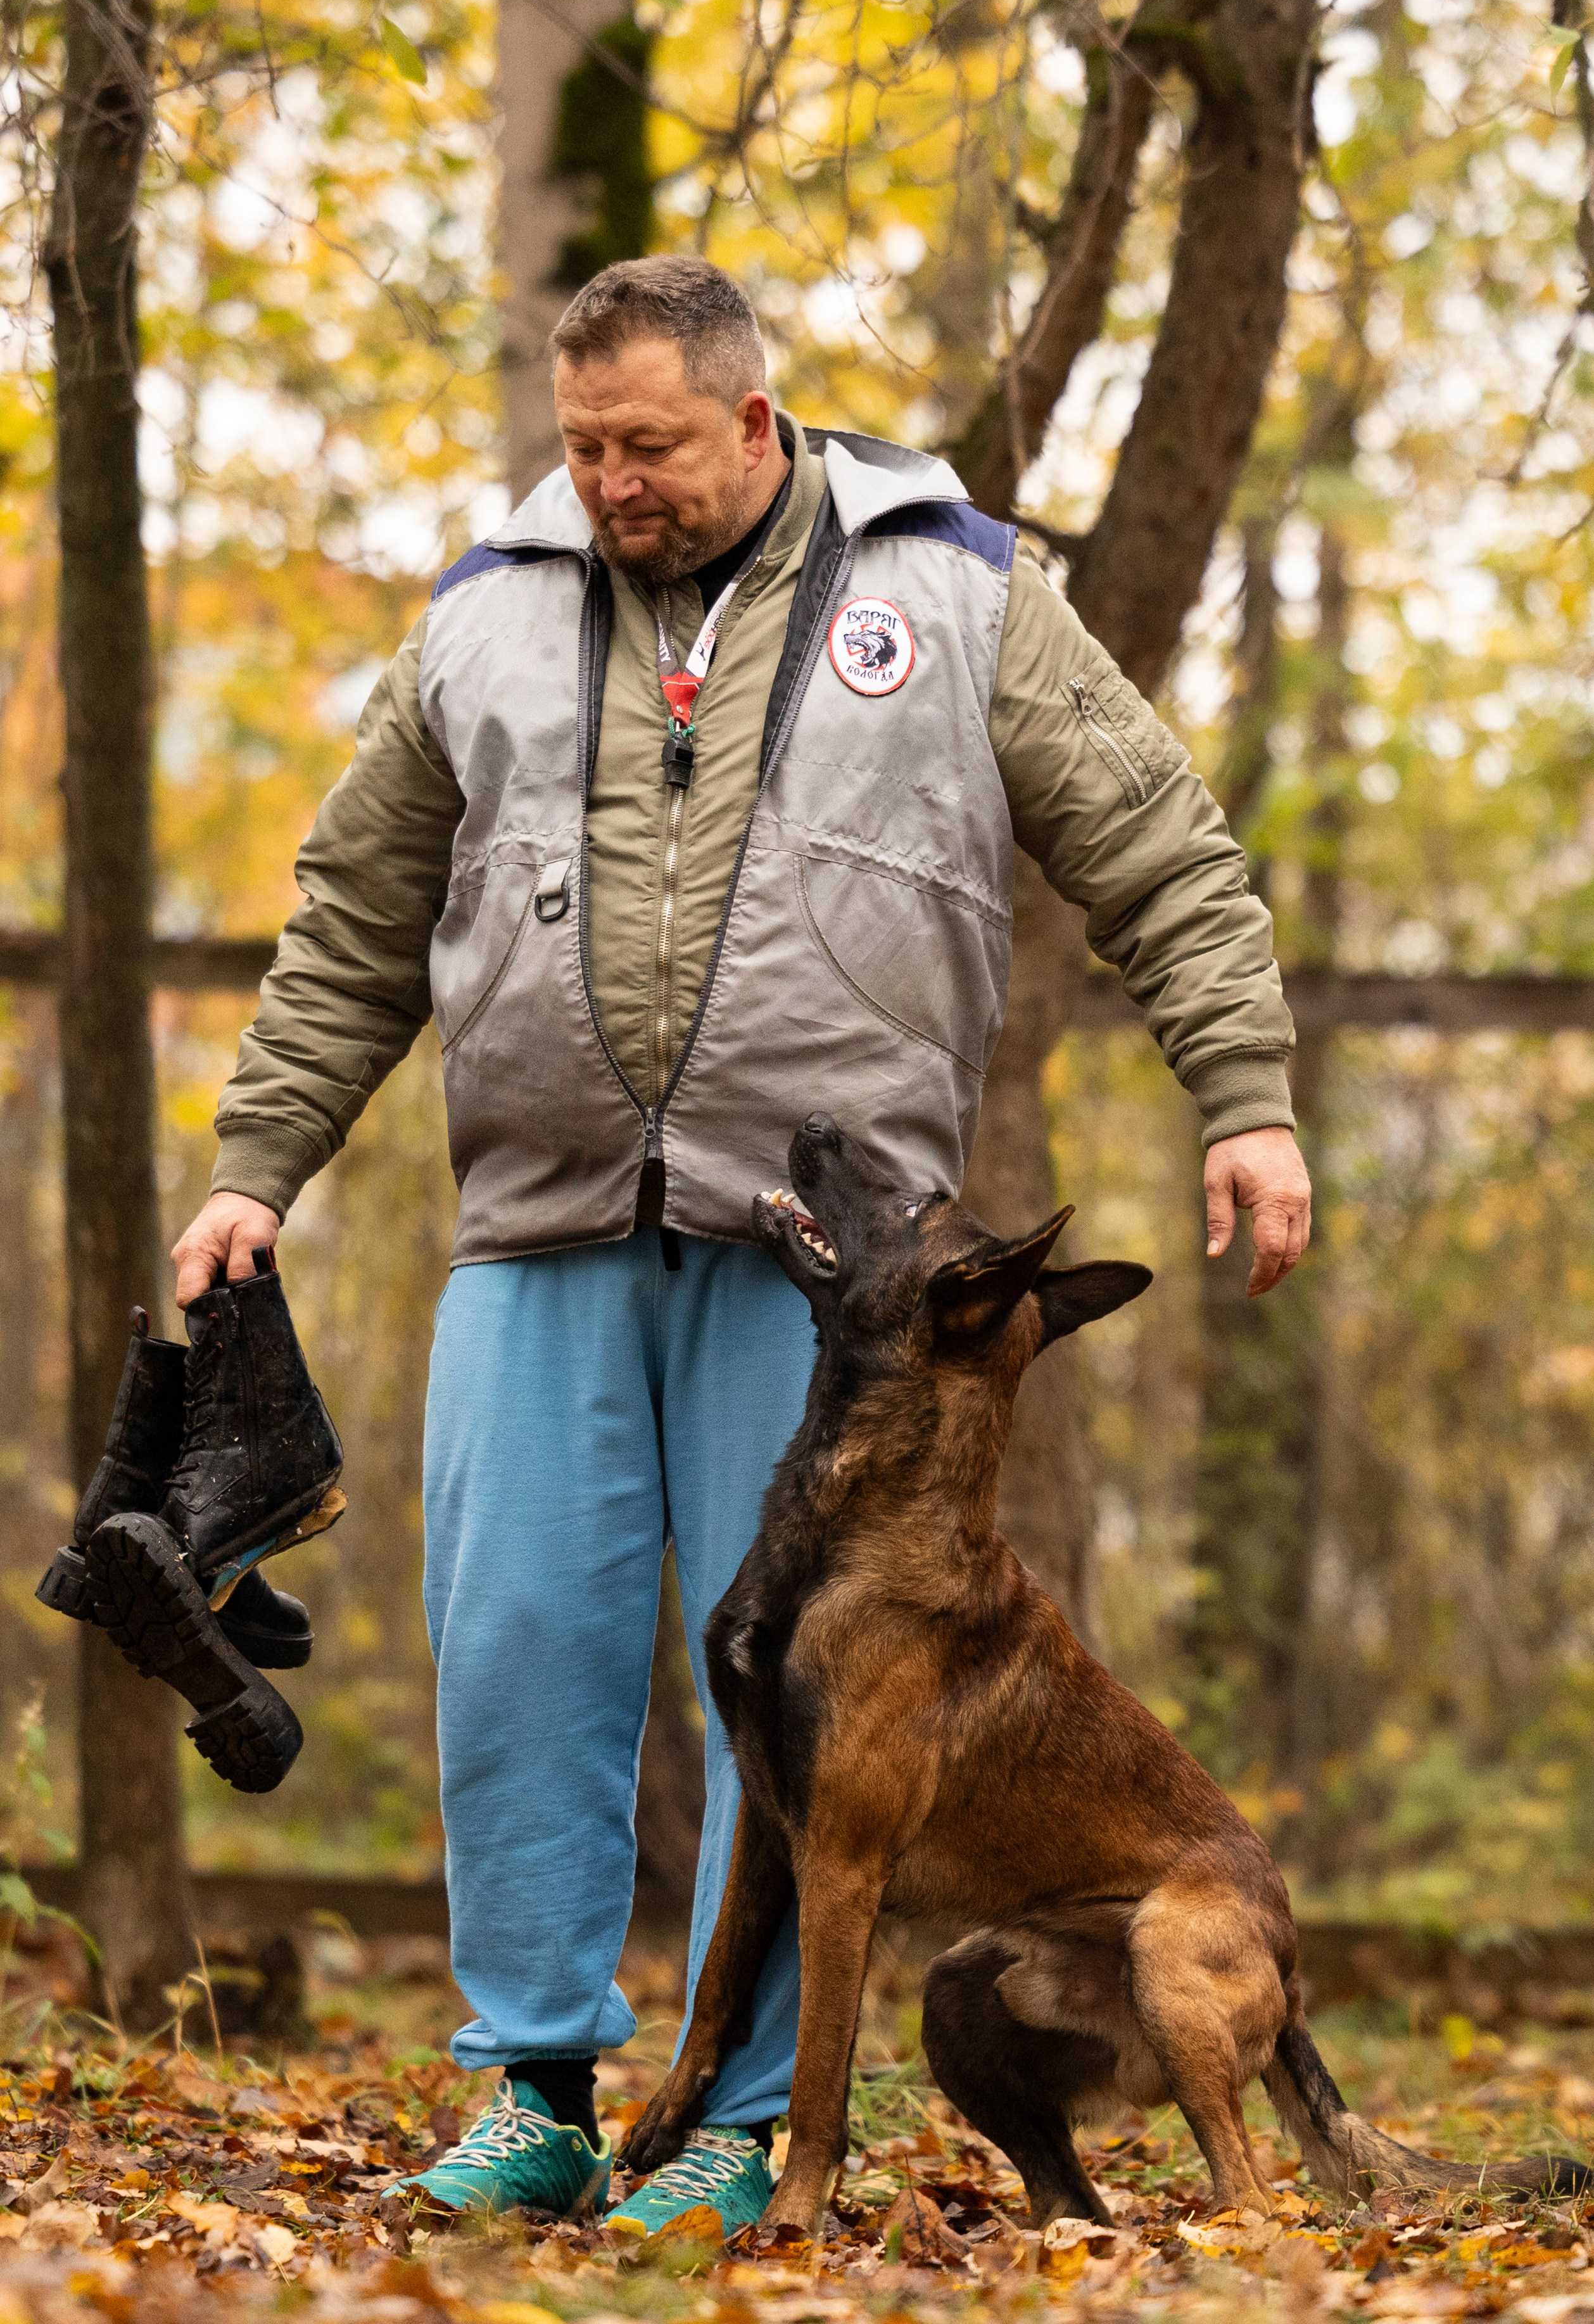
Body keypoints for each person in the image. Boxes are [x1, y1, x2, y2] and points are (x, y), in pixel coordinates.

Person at [168, 255, 1312, 2235]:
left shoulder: (951, 588)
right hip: (537, 1224)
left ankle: (739, 2122)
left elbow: (1151, 835)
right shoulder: (486, 614)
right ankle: (530, 2088)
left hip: (831, 1277)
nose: (613, 481)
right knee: (520, 1643)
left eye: (654, 445)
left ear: (756, 420)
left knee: (806, 1707)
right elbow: (358, 910)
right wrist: (260, 1158)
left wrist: (1253, 1095)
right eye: (584, 442)